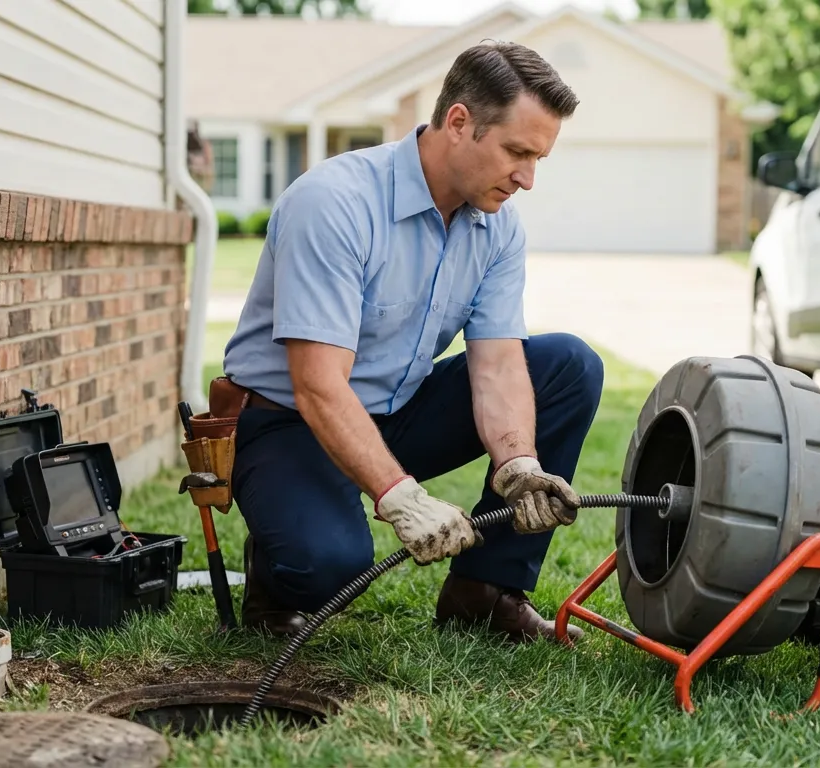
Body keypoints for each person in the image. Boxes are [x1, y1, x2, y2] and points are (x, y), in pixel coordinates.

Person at [216, 40, 604, 644]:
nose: (527, 179)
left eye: (538, 159)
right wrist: (400, 497)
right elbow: (317, 385)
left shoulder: (496, 227)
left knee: (567, 365)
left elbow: (499, 366)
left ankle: (484, 590)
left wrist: (520, 465)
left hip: (397, 409)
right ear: (459, 123)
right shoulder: (336, 204)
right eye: (517, 153)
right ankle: (274, 573)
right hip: (291, 423)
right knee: (332, 566)